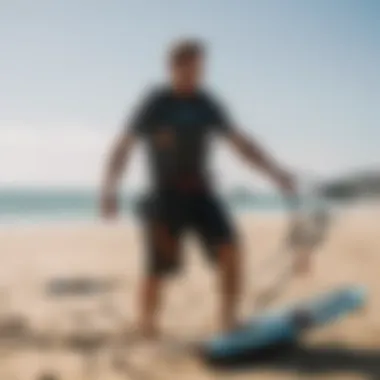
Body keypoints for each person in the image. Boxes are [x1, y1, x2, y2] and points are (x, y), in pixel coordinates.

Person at [101, 39, 296, 338]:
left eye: (200, 68)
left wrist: (276, 172)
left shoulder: (207, 103)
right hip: (164, 196)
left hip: (201, 192)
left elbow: (241, 144)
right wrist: (109, 189)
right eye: (190, 68)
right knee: (158, 268)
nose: (196, 75)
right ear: (173, 67)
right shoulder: (155, 103)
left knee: (231, 248)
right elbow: (123, 146)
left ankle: (228, 320)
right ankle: (147, 325)